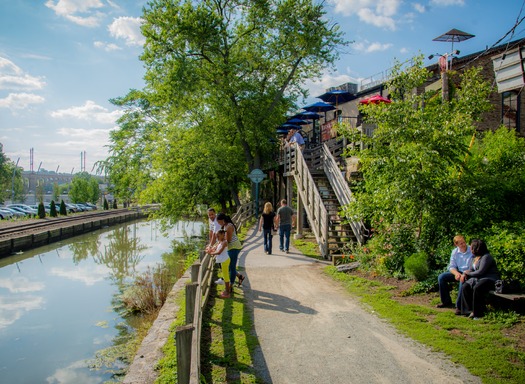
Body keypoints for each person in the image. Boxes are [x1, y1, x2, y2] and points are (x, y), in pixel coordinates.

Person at [460, 239, 500, 319]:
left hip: (489, 279)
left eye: (471, 247)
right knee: (465, 286)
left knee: (478, 288)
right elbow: (471, 269)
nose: (470, 249)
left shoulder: (486, 257)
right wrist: (465, 273)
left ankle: (478, 313)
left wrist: (468, 273)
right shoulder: (474, 258)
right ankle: (468, 310)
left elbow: (480, 272)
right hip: (478, 279)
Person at [436, 235, 473, 315]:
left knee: (462, 280)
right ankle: (446, 301)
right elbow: (451, 267)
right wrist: (456, 273)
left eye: (464, 242)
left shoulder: (471, 250)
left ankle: (459, 306)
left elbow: (473, 265)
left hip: (468, 272)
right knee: (441, 277)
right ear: (456, 245)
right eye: (461, 244)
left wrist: (464, 274)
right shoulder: (455, 252)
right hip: (459, 271)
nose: (463, 245)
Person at [216, 213, 245, 291]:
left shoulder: (228, 227)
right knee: (228, 266)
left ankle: (230, 285)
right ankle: (240, 277)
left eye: (219, 221)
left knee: (231, 267)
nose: (218, 223)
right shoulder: (225, 226)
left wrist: (219, 247)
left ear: (222, 220)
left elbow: (227, 240)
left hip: (234, 247)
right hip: (231, 248)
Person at [206, 229, 231, 298]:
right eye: (216, 235)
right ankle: (226, 290)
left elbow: (219, 252)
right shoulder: (219, 242)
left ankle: (227, 293)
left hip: (225, 260)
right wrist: (210, 249)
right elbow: (215, 249)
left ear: (223, 235)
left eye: (218, 235)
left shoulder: (224, 242)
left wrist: (210, 253)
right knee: (225, 275)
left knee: (226, 277)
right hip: (223, 260)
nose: (216, 236)